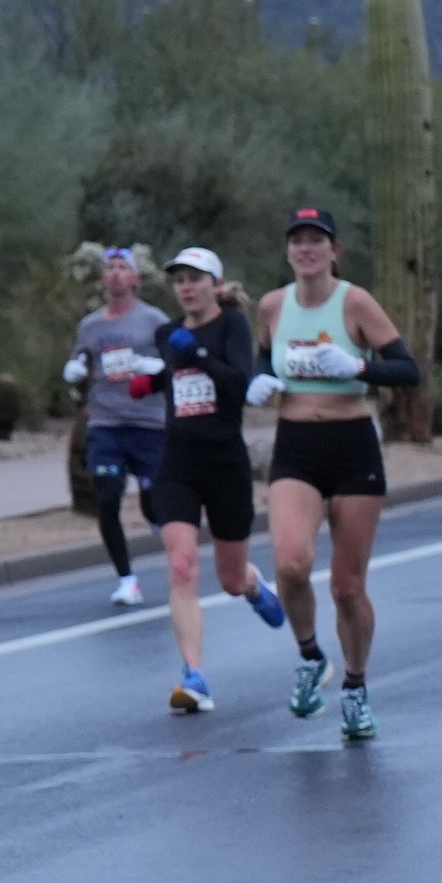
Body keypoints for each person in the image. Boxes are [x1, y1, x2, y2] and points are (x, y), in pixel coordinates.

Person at [254, 206, 418, 743]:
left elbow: (408, 370)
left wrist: (359, 367)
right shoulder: (273, 306)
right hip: (296, 446)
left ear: (334, 251)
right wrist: (257, 381)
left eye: (316, 240)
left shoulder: (355, 303)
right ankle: (310, 657)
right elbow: (263, 360)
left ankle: (355, 688)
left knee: (347, 587)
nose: (306, 249)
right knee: (290, 564)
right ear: (288, 251)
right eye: (297, 241)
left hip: (352, 447)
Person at [146, 247, 287, 714]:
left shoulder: (232, 326)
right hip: (177, 464)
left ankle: (252, 586)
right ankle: (194, 677)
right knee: (182, 565)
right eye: (180, 280)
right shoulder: (166, 334)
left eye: (196, 278)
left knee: (229, 579)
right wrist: (150, 381)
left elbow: (237, 385)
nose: (187, 287)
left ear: (216, 285)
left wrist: (199, 354)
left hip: (225, 463)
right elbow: (174, 379)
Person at [65, 248, 176, 607]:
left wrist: (152, 367)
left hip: (148, 423)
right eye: (109, 268)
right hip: (106, 423)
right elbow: (80, 358)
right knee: (107, 496)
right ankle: (127, 580)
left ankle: (159, 521)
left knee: (154, 504)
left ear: (136, 279)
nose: (115, 273)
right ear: (102, 278)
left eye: (123, 268)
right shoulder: (90, 325)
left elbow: (176, 362)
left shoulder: (153, 320)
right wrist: (74, 369)